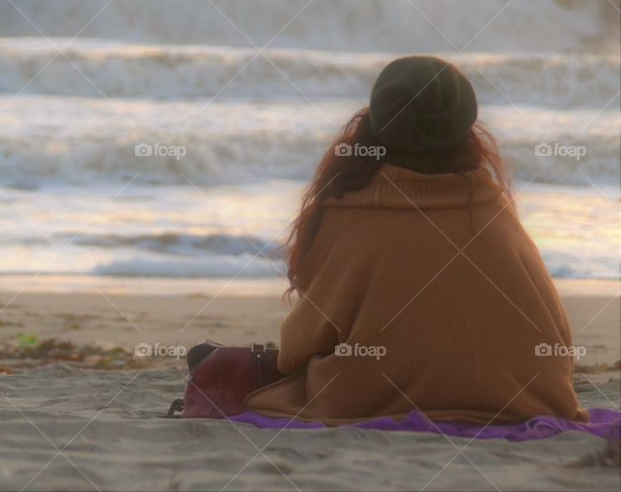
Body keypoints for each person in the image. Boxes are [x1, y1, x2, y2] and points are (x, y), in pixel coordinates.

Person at [246, 56, 588, 425]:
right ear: (466, 126)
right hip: (533, 397)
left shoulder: (352, 211)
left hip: (376, 400)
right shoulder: (493, 208)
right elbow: (560, 336)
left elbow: (295, 350)